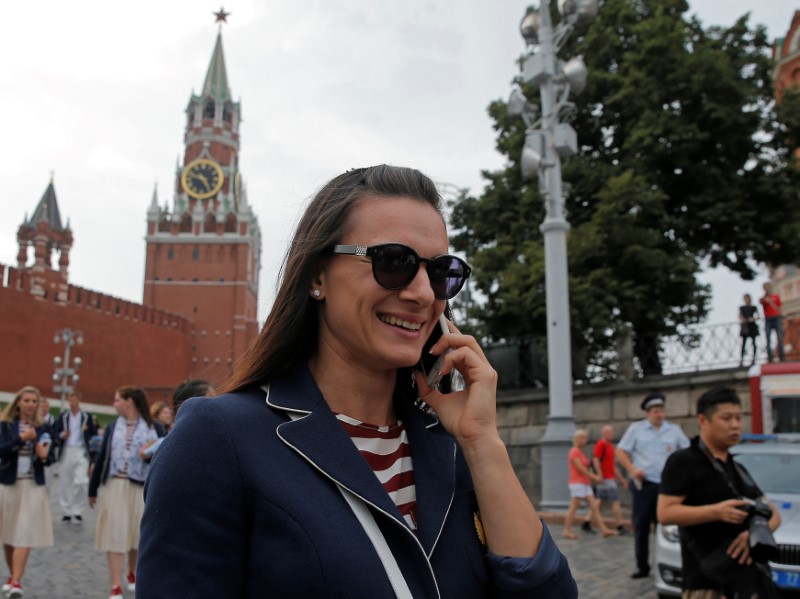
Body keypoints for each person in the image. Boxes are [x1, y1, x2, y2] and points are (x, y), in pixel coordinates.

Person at [138, 165, 577, 597]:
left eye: (441, 271)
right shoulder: (219, 439)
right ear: (317, 275)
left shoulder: (453, 445)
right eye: (394, 262)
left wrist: (483, 443)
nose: (423, 293)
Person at [658, 387, 781, 598]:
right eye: (726, 418)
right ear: (703, 421)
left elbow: (774, 514)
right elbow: (665, 513)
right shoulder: (684, 461)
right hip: (705, 583)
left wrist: (753, 534)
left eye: (738, 418)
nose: (735, 425)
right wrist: (716, 512)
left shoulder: (737, 468)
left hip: (745, 580)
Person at [89, 386, 162, 599]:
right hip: (115, 485)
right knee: (115, 532)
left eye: (117, 399)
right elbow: (102, 458)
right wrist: (92, 488)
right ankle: (115, 585)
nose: (114, 404)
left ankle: (133, 572)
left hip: (141, 486)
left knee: (137, 533)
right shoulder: (113, 427)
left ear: (129, 401)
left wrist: (150, 455)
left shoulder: (153, 427)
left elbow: (163, 454)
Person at [616, 391, 690, 579]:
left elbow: (687, 451)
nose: (659, 414)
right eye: (655, 410)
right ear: (648, 412)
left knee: (667, 527)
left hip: (668, 487)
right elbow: (621, 451)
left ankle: (666, 565)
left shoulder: (673, 430)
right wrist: (632, 470)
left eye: (661, 410)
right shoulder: (636, 429)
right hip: (645, 485)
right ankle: (642, 566)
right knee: (641, 526)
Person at [0, 386, 54, 598]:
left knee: (24, 532)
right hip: (9, 483)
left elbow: (50, 458)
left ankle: (16, 581)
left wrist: (43, 454)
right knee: (8, 534)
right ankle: (13, 574)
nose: (31, 405)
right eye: (27, 400)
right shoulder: (6, 425)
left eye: (34, 401)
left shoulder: (43, 427)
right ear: (19, 402)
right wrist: (22, 439)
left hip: (32, 486)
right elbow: (2, 450)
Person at [53, 391, 99, 525]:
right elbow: (56, 433)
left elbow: (94, 434)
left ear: (79, 401)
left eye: (75, 400)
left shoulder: (86, 416)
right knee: (64, 482)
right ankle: (66, 511)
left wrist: (92, 446)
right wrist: (62, 435)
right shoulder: (63, 416)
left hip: (81, 450)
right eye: (70, 400)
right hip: (67, 450)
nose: (72, 403)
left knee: (82, 481)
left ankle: (77, 510)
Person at [562, 429, 617, 539]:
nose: (585, 441)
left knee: (594, 508)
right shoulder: (574, 452)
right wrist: (595, 477)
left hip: (585, 483)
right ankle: (567, 530)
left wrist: (592, 477)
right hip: (578, 483)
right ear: (577, 439)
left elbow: (586, 468)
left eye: (585, 438)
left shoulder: (579, 452)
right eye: (583, 438)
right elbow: (581, 469)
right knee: (573, 507)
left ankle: (604, 529)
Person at [592, 424, 628, 534]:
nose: (611, 434)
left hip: (609, 478)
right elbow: (596, 459)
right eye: (609, 432)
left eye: (612, 432)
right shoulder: (601, 444)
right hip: (606, 479)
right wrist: (599, 474)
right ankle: (619, 525)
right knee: (615, 501)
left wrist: (621, 478)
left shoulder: (610, 446)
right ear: (604, 433)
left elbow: (612, 466)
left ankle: (587, 521)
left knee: (600, 501)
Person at [759, 282, 785, 362]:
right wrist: (765, 295)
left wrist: (781, 315)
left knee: (780, 337)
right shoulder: (763, 298)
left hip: (777, 318)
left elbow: (780, 306)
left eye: (768, 287)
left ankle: (782, 356)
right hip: (768, 319)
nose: (767, 288)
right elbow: (761, 302)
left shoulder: (776, 297)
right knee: (768, 337)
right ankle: (770, 357)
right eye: (765, 287)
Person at [738, 294, 759, 367]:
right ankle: (741, 361)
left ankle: (753, 359)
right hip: (745, 326)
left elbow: (758, 316)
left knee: (754, 344)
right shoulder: (742, 308)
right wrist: (744, 320)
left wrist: (752, 319)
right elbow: (739, 316)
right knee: (743, 344)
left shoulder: (753, 307)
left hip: (752, 325)